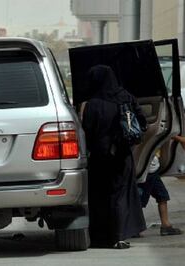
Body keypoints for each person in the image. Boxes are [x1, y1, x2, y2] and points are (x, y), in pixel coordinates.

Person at [82, 65, 147, 249]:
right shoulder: (125, 97)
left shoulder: (92, 104)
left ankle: (100, 237)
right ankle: (119, 236)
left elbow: (87, 131)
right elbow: (141, 123)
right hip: (122, 155)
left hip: (99, 157)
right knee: (120, 195)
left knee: (100, 195)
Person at [138, 152, 183, 236]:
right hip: (146, 171)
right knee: (140, 201)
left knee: (162, 196)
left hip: (152, 170)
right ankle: (135, 229)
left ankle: (166, 226)